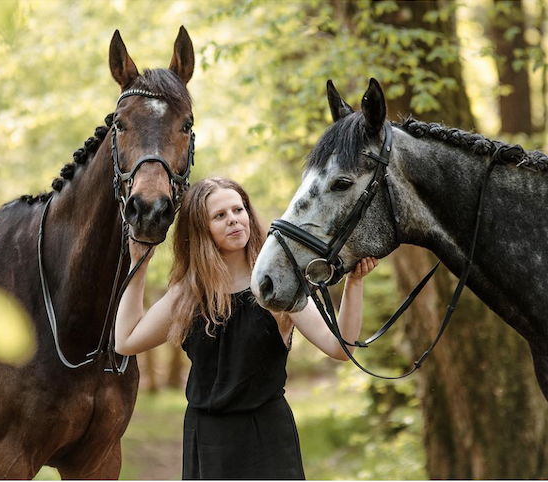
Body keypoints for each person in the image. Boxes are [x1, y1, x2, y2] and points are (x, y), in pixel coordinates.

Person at [115, 177, 378, 480]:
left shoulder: (277, 285)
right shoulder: (188, 294)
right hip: (207, 438)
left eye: (238, 210)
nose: (233, 221)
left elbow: (339, 348)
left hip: (266, 436)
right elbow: (126, 340)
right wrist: (139, 265)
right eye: (220, 216)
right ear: (202, 229)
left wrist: (354, 283)